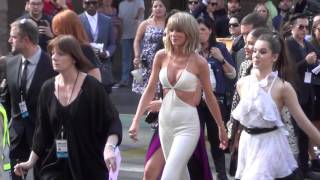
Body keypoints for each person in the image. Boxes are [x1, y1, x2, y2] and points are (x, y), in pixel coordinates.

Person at [129, 12, 228, 180]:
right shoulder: (161, 56)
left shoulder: (199, 62)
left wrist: (220, 126)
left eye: (179, 31)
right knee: (181, 175)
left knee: (169, 175)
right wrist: (136, 120)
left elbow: (209, 97)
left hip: (187, 125)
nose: (174, 34)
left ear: (189, 33)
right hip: (165, 124)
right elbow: (150, 89)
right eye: (171, 30)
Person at [13, 35, 122, 180]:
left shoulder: (91, 87)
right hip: (55, 165)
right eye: (52, 53)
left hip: (89, 165)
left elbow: (112, 121)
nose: (54, 57)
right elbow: (41, 132)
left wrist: (109, 148)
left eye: (61, 54)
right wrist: (30, 162)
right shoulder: (47, 88)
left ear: (74, 58)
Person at [233, 33, 320, 179]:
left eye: (263, 52)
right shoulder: (242, 84)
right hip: (247, 144)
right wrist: (233, 138)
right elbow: (244, 118)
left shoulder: (283, 87)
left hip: (270, 143)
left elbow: (303, 122)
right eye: (255, 51)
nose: (256, 55)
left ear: (274, 57)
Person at [5, 19, 56, 180]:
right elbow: (6, 100)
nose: (9, 40)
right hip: (17, 138)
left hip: (44, 137)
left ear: (25, 40)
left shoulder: (52, 66)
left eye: (13, 37)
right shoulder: (10, 63)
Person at [197, 17, 236, 180]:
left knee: (216, 136)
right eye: (197, 30)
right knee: (195, 137)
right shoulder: (191, 49)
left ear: (210, 31)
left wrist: (221, 58)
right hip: (196, 99)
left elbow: (232, 74)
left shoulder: (219, 47)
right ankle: (198, 172)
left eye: (203, 30)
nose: (200, 33)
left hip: (216, 99)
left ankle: (221, 173)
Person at [285, 13, 318, 178]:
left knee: (305, 134)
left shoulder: (308, 44)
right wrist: (306, 62)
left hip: (308, 93)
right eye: (301, 27)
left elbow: (313, 66)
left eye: (307, 27)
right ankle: (297, 168)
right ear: (292, 27)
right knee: (296, 134)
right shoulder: (287, 45)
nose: (304, 30)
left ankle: (305, 168)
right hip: (294, 94)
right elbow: (288, 70)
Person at [52, 9, 101, 82]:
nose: (55, 31)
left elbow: (96, 79)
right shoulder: (56, 46)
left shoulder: (84, 49)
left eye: (57, 27)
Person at [132, 0, 166, 94]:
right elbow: (137, 40)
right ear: (152, 9)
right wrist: (137, 56)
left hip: (164, 60)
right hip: (146, 61)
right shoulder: (145, 24)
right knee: (145, 90)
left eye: (160, 6)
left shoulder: (169, 23)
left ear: (165, 8)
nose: (158, 8)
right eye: (155, 6)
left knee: (161, 88)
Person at [79, 0, 116, 84]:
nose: (91, 5)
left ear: (98, 4)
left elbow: (112, 44)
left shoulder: (107, 20)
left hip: (103, 65)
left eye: (94, 3)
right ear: (83, 4)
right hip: (85, 64)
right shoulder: (77, 20)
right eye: (88, 3)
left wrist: (106, 53)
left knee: (105, 93)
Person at [113, 0, 145, 88]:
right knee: (125, 58)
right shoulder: (122, 5)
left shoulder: (139, 1)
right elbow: (121, 20)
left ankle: (139, 81)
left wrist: (137, 18)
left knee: (138, 57)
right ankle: (124, 80)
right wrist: (121, 34)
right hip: (126, 35)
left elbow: (141, 10)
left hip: (138, 36)